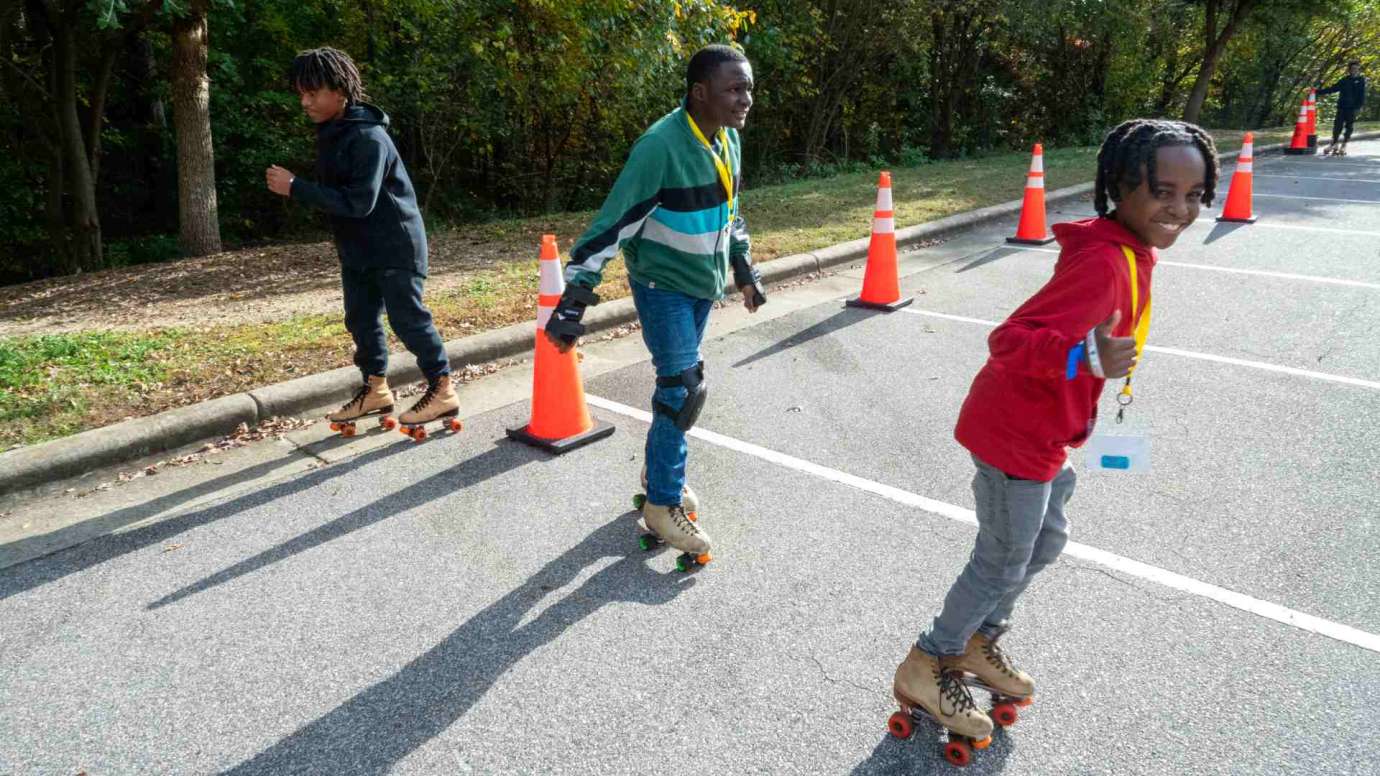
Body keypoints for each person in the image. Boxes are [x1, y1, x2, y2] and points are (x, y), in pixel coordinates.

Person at [892, 119, 1220, 741]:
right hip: (1015, 432)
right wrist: (1083, 359)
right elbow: (1008, 341)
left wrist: (1088, 375)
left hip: (1049, 433)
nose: (1179, 208)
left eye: (1194, 194)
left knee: (1044, 542)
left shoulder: (1128, 251)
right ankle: (928, 661)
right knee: (1001, 558)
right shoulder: (1103, 263)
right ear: (1121, 187)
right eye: (1162, 190)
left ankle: (978, 642)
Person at [543, 44, 765, 560]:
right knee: (683, 391)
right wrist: (576, 298)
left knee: (675, 393)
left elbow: (731, 210)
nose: (746, 99)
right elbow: (613, 223)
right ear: (699, 93)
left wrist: (743, 267)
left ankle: (657, 471)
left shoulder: (726, 138)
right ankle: (663, 504)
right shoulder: (659, 147)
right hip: (663, 285)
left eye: (749, 88)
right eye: (734, 88)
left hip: (701, 286)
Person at [265, 47, 458, 436]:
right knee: (360, 319)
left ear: (340, 90)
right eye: (301, 93)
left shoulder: (369, 137)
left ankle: (443, 390)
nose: (305, 102)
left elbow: (358, 202)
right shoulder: (333, 134)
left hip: (395, 245)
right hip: (359, 250)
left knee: (408, 320)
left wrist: (296, 187)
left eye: (313, 92)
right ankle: (376, 390)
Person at [1317, 61, 1366, 156]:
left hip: (1352, 108)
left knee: (1349, 127)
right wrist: (1317, 92)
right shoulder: (1344, 80)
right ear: (1349, 70)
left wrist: (1359, 107)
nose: (1354, 71)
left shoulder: (1361, 80)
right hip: (1342, 107)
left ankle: (1344, 145)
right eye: (1352, 69)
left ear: (1359, 70)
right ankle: (1334, 144)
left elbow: (1362, 95)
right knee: (1337, 126)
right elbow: (1333, 89)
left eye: (1356, 69)